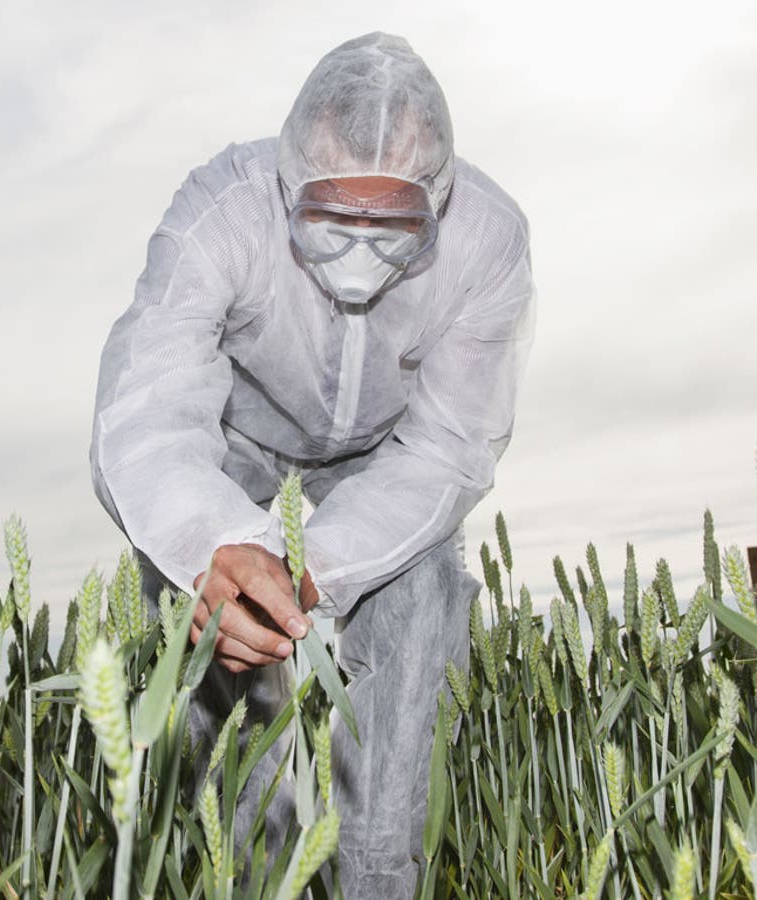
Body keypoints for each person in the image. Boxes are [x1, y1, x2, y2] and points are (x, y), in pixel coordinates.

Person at [90, 31, 536, 898]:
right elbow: (145, 411)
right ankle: (257, 877)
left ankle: (378, 879)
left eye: (394, 221)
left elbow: (450, 444)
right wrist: (216, 547)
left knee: (415, 639)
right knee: (239, 691)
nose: (362, 243)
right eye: (334, 218)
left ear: (438, 201)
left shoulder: (489, 243)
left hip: (387, 474)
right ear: (293, 180)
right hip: (234, 463)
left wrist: (321, 565)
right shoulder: (220, 211)